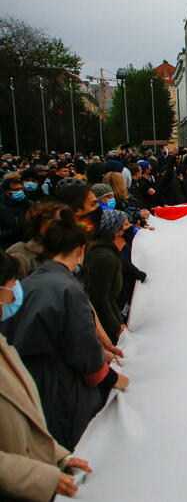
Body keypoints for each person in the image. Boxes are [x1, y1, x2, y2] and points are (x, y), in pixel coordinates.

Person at [0, 214, 128, 450]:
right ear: (80, 250)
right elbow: (83, 349)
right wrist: (110, 377)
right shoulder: (69, 289)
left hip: (28, 379)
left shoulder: (30, 282)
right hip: (59, 386)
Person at [0, 250, 93, 500]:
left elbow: (24, 417)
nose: (15, 295)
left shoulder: (3, 345)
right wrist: (42, 476)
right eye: (10, 288)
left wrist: (59, 456)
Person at [83, 211, 130, 345]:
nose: (130, 227)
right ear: (116, 231)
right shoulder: (104, 258)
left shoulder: (110, 253)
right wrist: (116, 328)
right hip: (104, 331)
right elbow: (100, 299)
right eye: (126, 225)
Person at [1, 173, 30, 249]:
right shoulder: (2, 207)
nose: (20, 191)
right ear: (7, 192)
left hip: (27, 245)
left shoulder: (28, 204)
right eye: (16, 190)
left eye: (21, 189)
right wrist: (14, 232)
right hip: (7, 247)